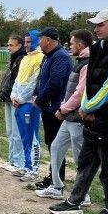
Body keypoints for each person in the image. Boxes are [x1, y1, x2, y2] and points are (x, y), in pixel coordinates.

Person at [49, 9, 108, 214]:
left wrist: (89, 106)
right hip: (90, 116)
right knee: (86, 162)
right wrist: (86, 107)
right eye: (95, 25)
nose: (95, 29)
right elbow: (88, 84)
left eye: (100, 24)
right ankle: (75, 201)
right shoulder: (97, 48)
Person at [35, 29, 93, 201]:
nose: (70, 45)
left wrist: (63, 108)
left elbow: (79, 92)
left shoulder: (86, 63)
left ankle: (84, 195)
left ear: (81, 45)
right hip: (68, 115)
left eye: (72, 42)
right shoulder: (80, 60)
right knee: (56, 147)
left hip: (75, 117)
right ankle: (57, 186)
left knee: (79, 157)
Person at [32, 28, 73, 189]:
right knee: (52, 144)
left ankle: (57, 180)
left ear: (48, 40)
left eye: (40, 39)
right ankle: (53, 176)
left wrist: (40, 100)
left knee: (56, 145)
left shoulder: (60, 57)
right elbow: (42, 79)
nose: (39, 42)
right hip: (48, 108)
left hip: (55, 108)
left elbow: (55, 83)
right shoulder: (48, 56)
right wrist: (36, 94)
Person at [10, 30, 44, 179]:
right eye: (25, 42)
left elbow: (33, 83)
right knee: (24, 136)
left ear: (37, 41)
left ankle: (34, 169)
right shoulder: (25, 58)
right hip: (18, 103)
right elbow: (18, 80)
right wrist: (13, 96)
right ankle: (26, 165)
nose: (26, 45)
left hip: (30, 103)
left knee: (32, 136)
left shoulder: (40, 58)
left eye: (29, 42)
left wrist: (22, 99)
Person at [0, 35, 27, 173]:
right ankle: (11, 159)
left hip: (16, 100)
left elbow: (18, 81)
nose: (8, 47)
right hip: (8, 98)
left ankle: (18, 162)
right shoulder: (13, 59)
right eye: (8, 45)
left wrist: (15, 95)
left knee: (17, 132)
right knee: (10, 131)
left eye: (11, 45)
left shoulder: (21, 59)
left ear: (19, 46)